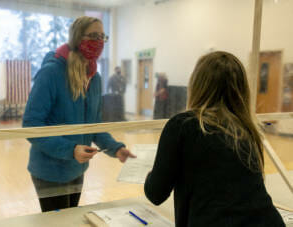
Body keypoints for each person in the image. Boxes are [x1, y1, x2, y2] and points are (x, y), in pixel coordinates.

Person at [144, 51, 285, 226]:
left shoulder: (183, 125)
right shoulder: (247, 130)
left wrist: (152, 173)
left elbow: (155, 193)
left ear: (196, 85)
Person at [22, 16, 135, 212]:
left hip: (77, 168)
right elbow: (32, 124)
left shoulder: (95, 78)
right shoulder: (51, 73)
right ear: (76, 38)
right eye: (93, 35)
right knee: (57, 225)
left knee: (71, 219)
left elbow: (94, 126)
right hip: (50, 171)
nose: (98, 42)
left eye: (102, 36)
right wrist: (71, 149)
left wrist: (116, 149)